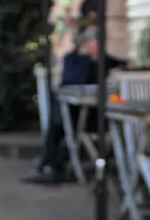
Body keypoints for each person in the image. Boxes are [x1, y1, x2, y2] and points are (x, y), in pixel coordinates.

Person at [26, 27, 128, 185]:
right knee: (60, 119)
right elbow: (77, 81)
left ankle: (50, 162)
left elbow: (121, 63)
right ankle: (54, 163)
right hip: (72, 113)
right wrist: (88, 60)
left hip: (95, 115)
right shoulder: (72, 59)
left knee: (58, 124)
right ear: (87, 43)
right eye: (98, 42)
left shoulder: (103, 59)